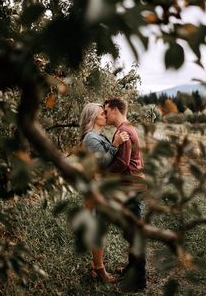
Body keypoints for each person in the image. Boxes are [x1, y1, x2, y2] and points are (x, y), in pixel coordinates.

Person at [79, 102, 129, 283]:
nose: (105, 116)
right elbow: (104, 164)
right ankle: (100, 270)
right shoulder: (91, 138)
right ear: (93, 118)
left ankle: (95, 266)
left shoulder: (98, 135)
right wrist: (115, 144)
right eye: (102, 113)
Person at [104, 97, 147, 293]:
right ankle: (132, 270)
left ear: (115, 109)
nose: (105, 114)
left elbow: (122, 162)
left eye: (106, 111)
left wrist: (103, 174)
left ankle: (139, 280)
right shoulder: (127, 127)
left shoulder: (124, 130)